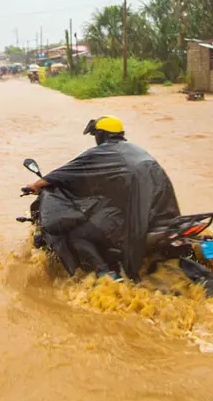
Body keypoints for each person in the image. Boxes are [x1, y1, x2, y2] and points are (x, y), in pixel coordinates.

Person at [23, 115, 181, 281]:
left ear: (101, 135)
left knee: (78, 234)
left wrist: (36, 185)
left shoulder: (103, 152)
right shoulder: (134, 150)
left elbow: (69, 171)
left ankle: (106, 275)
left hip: (133, 217)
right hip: (160, 214)